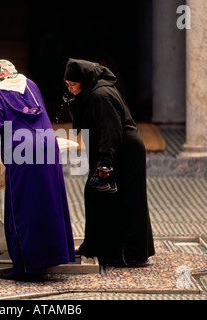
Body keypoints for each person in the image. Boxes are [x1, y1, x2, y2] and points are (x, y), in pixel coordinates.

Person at [0, 59, 75, 280]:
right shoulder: (30, 85)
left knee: (21, 208)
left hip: (21, 152)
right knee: (48, 202)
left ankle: (26, 269)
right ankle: (50, 259)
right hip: (48, 146)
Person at [63, 58, 155, 267]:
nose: (69, 88)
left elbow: (110, 130)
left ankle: (128, 253)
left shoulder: (101, 95)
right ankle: (95, 246)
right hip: (111, 151)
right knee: (96, 196)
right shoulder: (91, 92)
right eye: (66, 84)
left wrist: (106, 162)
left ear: (84, 80)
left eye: (72, 84)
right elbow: (83, 123)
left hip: (123, 152)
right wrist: (73, 99)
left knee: (124, 199)